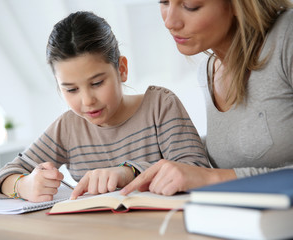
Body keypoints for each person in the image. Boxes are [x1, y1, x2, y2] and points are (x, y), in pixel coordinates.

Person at [0, 11, 209, 202]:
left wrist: (129, 172)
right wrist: (23, 185)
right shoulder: (68, 127)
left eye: (97, 83)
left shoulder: (160, 106)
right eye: (71, 90)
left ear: (121, 69)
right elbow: (5, 176)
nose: (87, 101)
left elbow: (198, 170)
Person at [121, 0, 293, 196]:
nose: (170, 22)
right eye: (164, 2)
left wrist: (210, 178)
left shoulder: (287, 36)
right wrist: (130, 171)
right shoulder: (208, 71)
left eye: (190, 6)